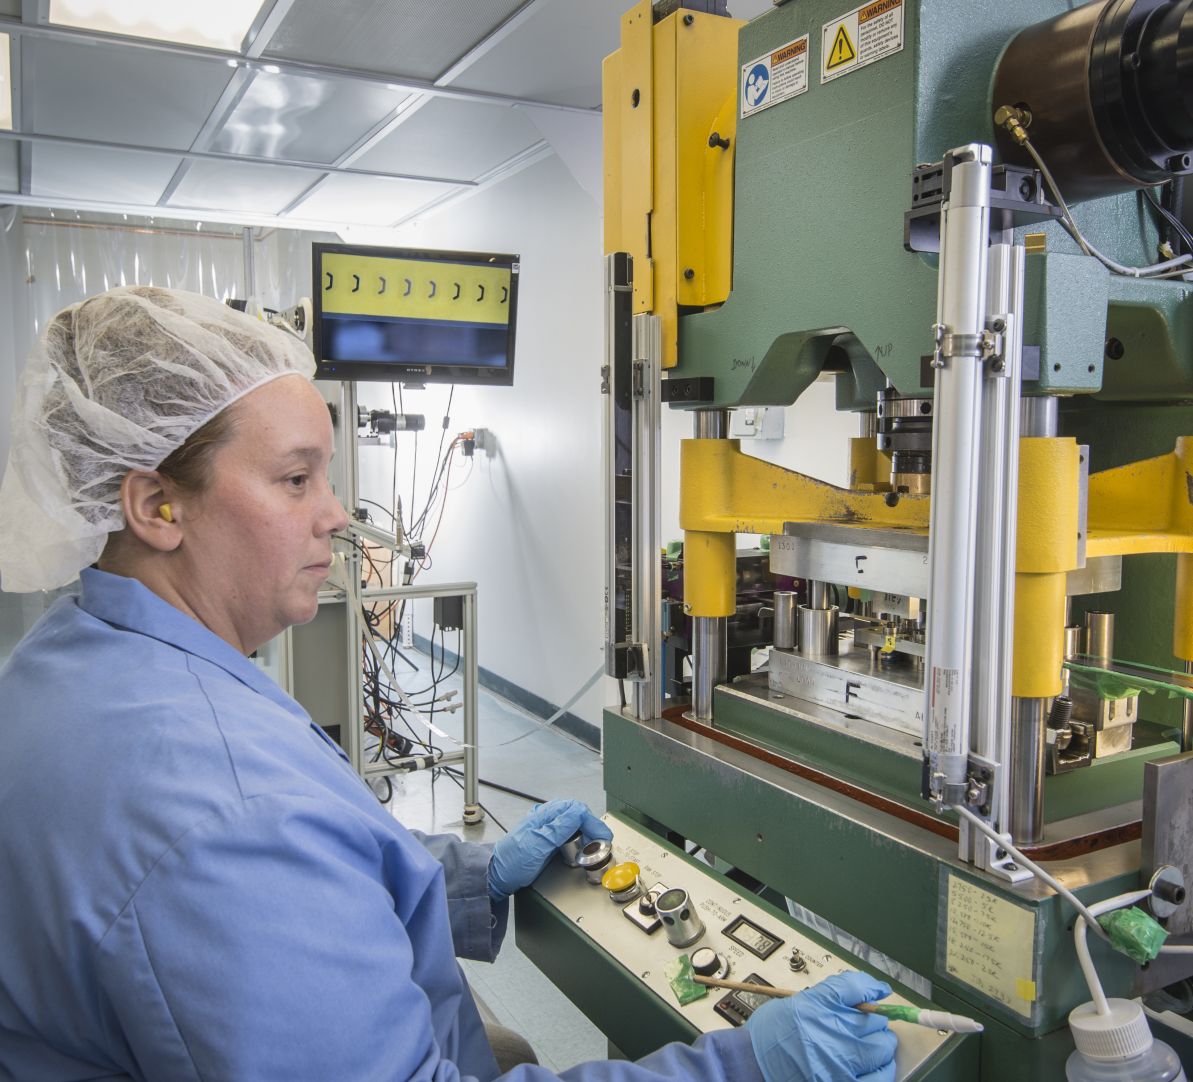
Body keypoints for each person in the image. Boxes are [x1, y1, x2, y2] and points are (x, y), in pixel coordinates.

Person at [0, 286, 898, 1082]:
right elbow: (253, 855)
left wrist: (472, 879)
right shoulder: (222, 814)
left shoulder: (71, 657)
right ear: (157, 505)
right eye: (295, 478)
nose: (336, 514)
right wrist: (744, 1066)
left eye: (330, 476)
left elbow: (301, 878)